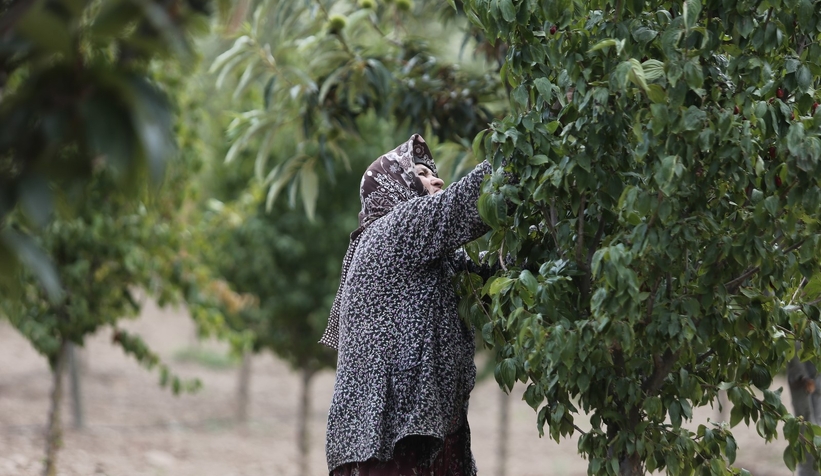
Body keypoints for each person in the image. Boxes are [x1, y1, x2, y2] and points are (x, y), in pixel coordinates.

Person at [320, 134, 492, 476]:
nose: (437, 178)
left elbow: (490, 272)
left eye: (433, 172)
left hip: (414, 436)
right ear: (393, 186)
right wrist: (519, 150)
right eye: (421, 174)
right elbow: (463, 205)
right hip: (383, 444)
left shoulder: (430, 254)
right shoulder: (392, 230)